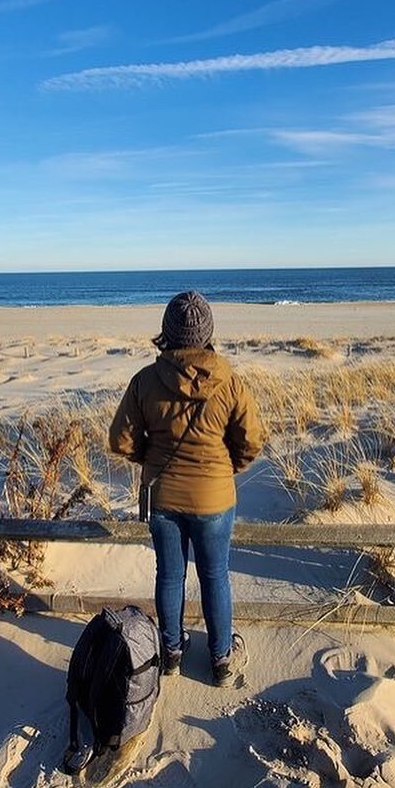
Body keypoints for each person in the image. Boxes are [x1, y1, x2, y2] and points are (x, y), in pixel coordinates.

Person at [109, 291, 264, 686]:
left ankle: (172, 654)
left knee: (169, 575)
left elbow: (121, 440)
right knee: (215, 577)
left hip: (163, 496)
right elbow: (252, 441)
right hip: (214, 498)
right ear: (207, 332)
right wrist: (226, 467)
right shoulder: (229, 380)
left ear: (166, 332)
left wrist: (150, 458)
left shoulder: (144, 380)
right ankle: (222, 662)